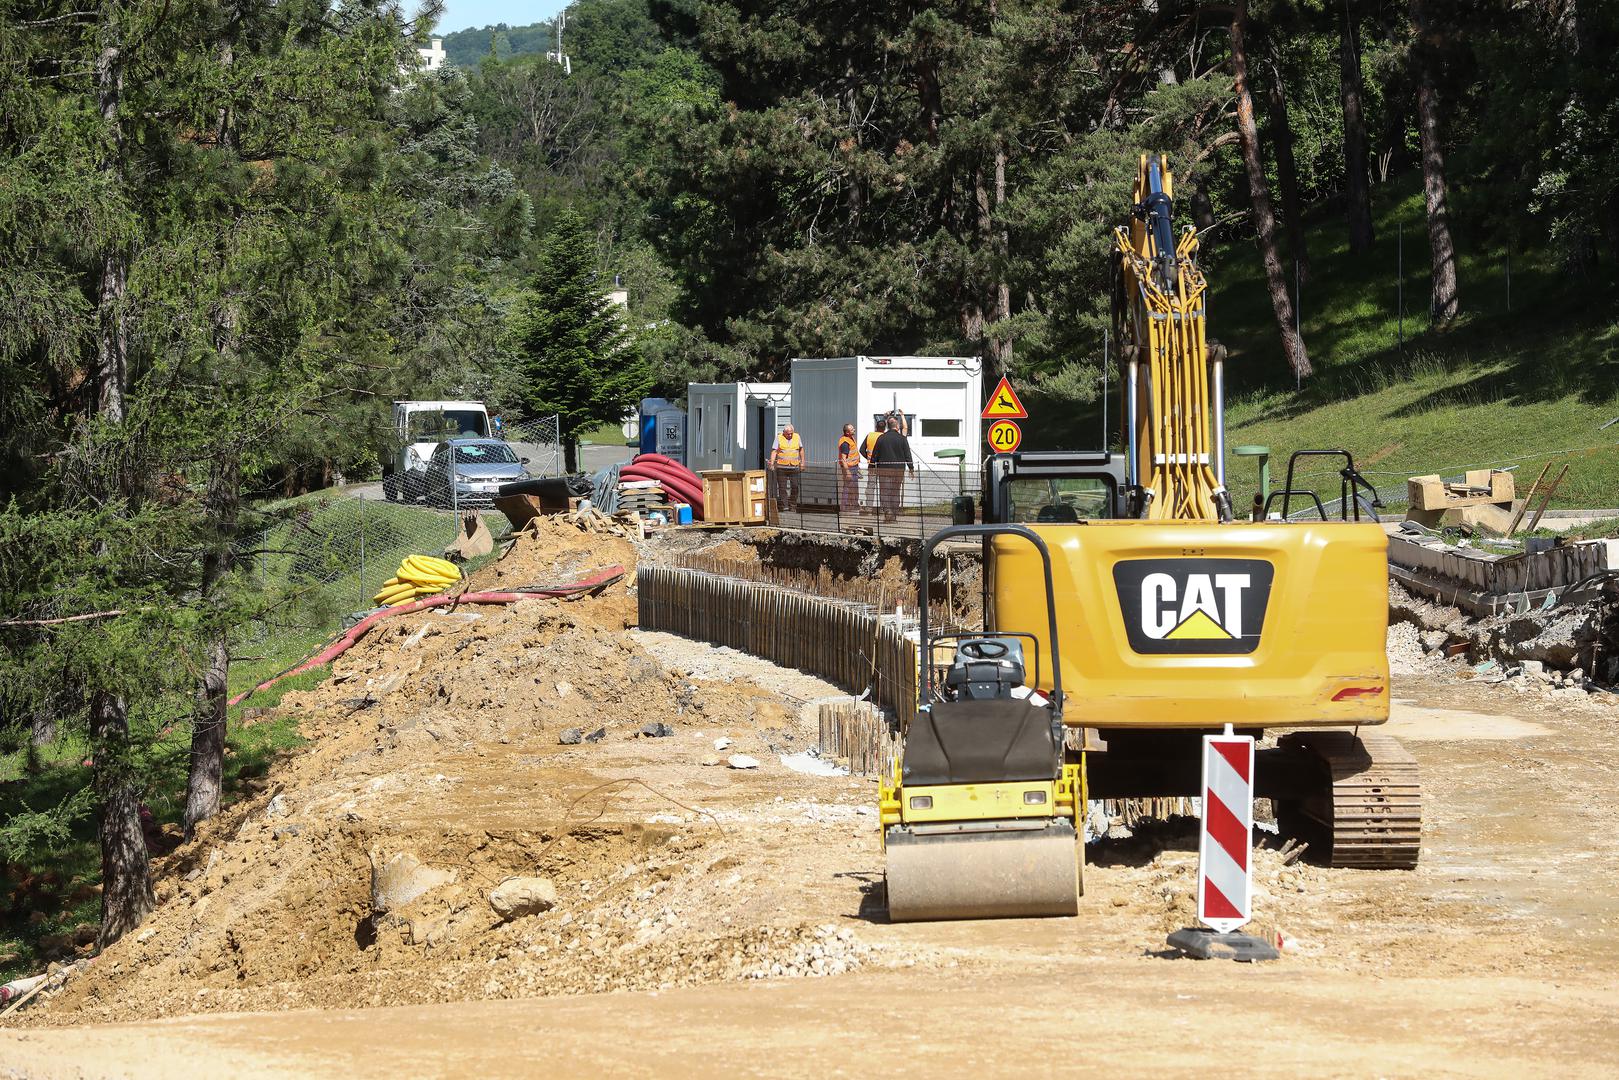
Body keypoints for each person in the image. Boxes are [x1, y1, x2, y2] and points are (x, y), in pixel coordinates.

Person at [871, 415, 914, 523]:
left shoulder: (881, 438)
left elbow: (874, 454)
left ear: (888, 426)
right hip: (898, 470)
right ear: (897, 426)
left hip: (883, 470)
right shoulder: (902, 439)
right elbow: (908, 454)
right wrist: (911, 468)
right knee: (895, 492)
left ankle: (888, 513)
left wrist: (871, 466)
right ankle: (893, 515)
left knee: (885, 492)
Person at [769, 423, 804, 512]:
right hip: (781, 467)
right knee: (782, 487)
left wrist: (802, 462)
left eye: (791, 433)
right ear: (784, 432)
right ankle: (785, 506)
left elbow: (801, 450)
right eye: (788, 434)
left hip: (794, 466)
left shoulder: (797, 437)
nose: (790, 435)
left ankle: (793, 505)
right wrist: (772, 463)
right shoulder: (779, 437)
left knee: (795, 486)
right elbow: (774, 451)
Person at [836, 423, 861, 512]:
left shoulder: (850, 438)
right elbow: (843, 459)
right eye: (852, 429)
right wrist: (848, 472)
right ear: (847, 432)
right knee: (848, 487)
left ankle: (852, 505)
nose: (854, 429)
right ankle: (845, 507)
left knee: (853, 488)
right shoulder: (845, 443)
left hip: (853, 467)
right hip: (849, 468)